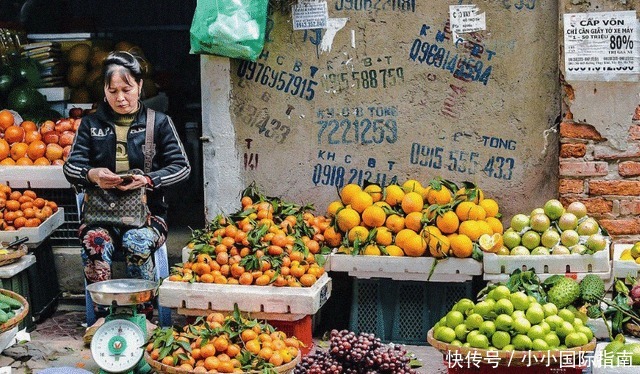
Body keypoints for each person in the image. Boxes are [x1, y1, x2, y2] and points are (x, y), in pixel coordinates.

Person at [63, 51, 190, 333]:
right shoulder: (91, 124)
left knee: (137, 241)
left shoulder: (159, 123)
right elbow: (71, 168)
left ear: (140, 87)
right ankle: (101, 316)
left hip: (148, 216)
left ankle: (142, 314)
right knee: (95, 240)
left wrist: (148, 180)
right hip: (101, 217)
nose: (120, 98)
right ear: (104, 92)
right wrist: (92, 174)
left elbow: (182, 168)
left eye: (127, 89)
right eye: (113, 91)